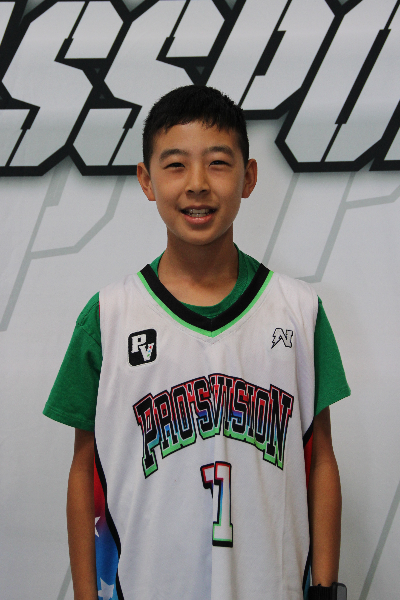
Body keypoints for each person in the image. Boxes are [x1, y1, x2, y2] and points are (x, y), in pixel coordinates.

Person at [44, 85, 350, 600]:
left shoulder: (299, 311)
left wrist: (323, 589)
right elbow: (83, 470)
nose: (198, 184)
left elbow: (320, 459)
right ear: (146, 180)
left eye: (218, 163)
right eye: (175, 165)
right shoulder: (109, 316)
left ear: (249, 177)